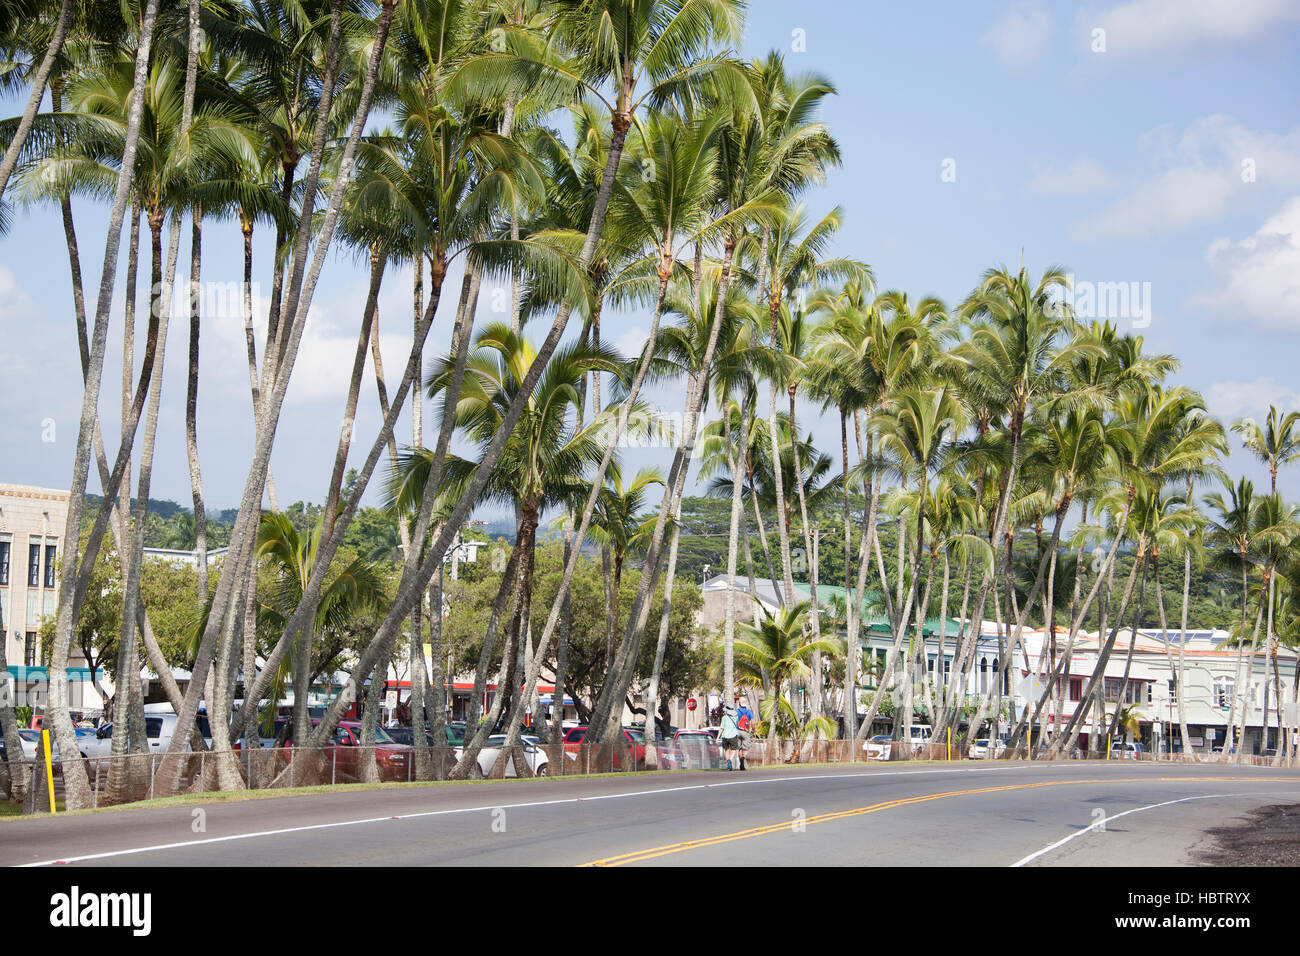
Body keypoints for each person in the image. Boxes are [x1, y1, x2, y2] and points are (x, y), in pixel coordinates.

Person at [718, 705, 741, 770]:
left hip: (725, 735)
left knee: (726, 750)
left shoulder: (724, 718)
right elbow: (737, 725)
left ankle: (728, 762)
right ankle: (730, 760)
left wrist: (717, 738)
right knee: (733, 750)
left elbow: (721, 728)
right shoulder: (736, 717)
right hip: (733, 735)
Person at [735, 699, 754, 770]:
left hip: (737, 731)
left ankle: (741, 762)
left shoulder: (736, 711)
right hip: (745, 731)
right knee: (746, 747)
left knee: (739, 748)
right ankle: (743, 758)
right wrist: (754, 730)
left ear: (739, 704)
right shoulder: (749, 712)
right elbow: (752, 722)